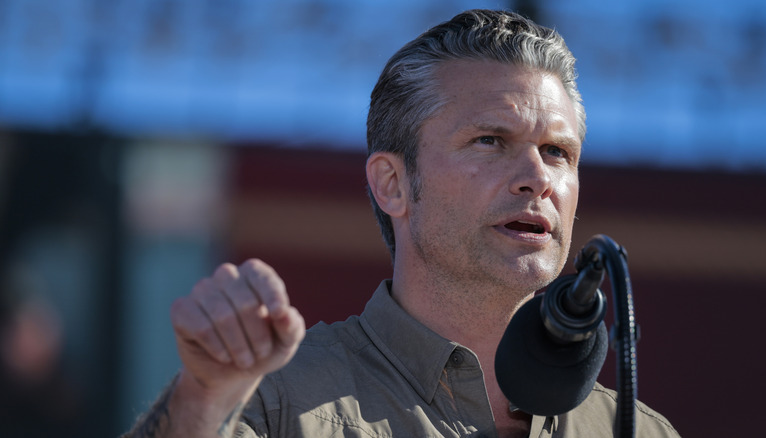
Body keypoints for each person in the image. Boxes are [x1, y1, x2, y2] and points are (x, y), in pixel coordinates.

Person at [123, 9, 679, 438]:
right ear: (391, 183)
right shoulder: (274, 403)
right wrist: (202, 398)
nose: (537, 177)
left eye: (558, 151)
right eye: (490, 140)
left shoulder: (639, 430)